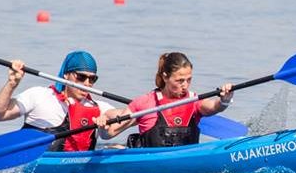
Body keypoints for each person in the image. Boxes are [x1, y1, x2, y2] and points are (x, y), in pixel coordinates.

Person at [95, 52, 234, 148]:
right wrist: (103, 128)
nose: (185, 85)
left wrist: (224, 100)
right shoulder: (145, 103)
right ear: (165, 77)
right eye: (180, 80)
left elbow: (213, 107)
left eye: (189, 79)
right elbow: (109, 134)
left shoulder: (193, 100)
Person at [0, 50, 115, 152]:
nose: (87, 84)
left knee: (117, 148)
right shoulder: (40, 95)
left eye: (92, 79)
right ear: (66, 75)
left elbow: (119, 114)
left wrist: (134, 108)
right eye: (81, 77)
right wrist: (12, 83)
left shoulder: (98, 107)